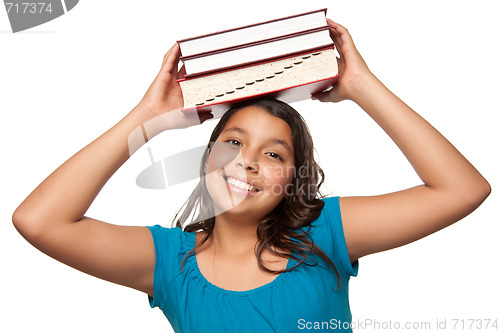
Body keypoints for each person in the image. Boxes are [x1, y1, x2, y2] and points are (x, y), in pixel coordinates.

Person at [12, 19, 490, 332]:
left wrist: (362, 86)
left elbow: (463, 189)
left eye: (274, 154)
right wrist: (147, 118)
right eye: (234, 143)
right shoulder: (169, 264)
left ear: (293, 180)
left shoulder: (325, 236)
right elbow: (39, 221)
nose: (248, 162)